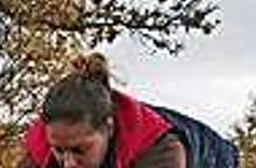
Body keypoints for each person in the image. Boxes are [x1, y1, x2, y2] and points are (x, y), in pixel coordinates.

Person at [18, 54, 238, 168]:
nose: (68, 164)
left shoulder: (161, 151)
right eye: (59, 150)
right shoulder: (41, 147)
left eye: (79, 151)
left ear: (109, 128)